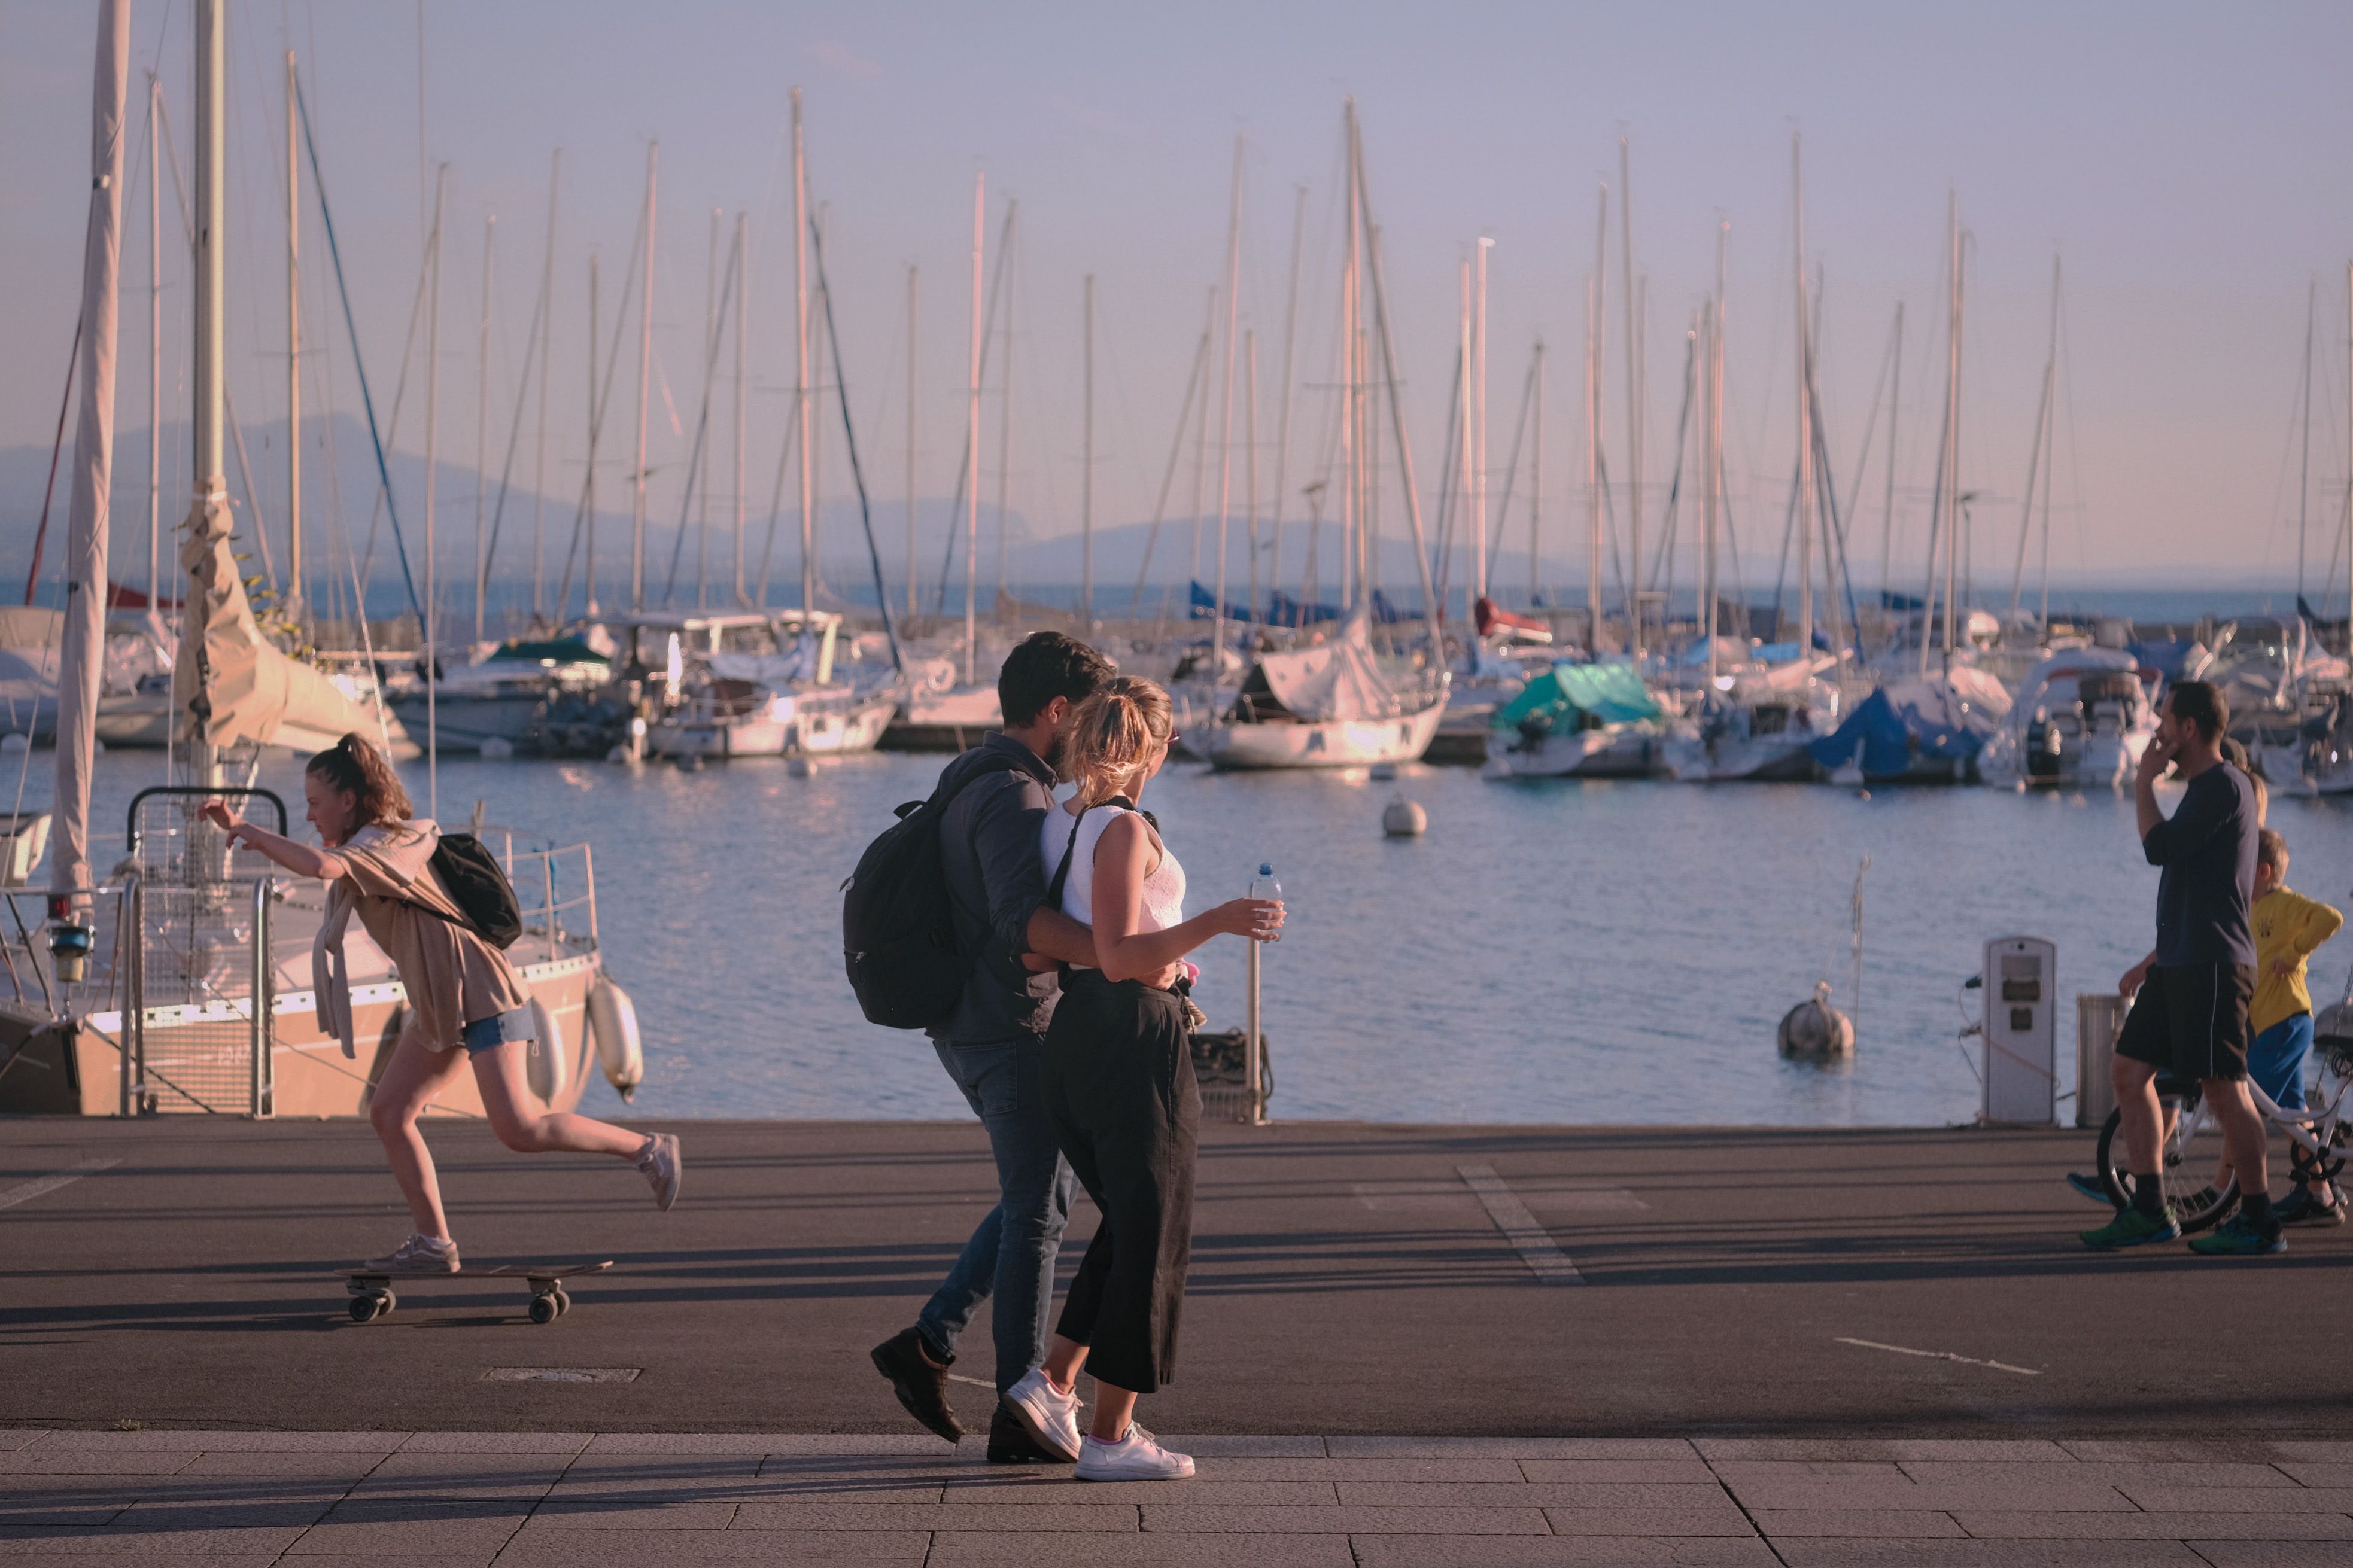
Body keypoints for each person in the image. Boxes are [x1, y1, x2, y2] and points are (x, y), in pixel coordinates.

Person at [202, 734, 679, 1273]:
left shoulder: (383, 844)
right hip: (441, 1009)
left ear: (349, 802)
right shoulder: (365, 848)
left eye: (314, 803)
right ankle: (434, 1242)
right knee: (390, 1111)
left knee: (519, 1128)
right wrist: (240, 826)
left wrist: (254, 832)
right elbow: (320, 861)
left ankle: (648, 1148)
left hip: (483, 995)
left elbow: (321, 867)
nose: (309, 815)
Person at [998, 677, 1283, 1482]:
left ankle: (1052, 1382)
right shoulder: (1121, 829)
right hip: (1130, 1041)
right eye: (1169, 742)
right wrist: (1219, 921)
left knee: (1129, 1220)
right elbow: (1124, 955)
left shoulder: (1063, 823)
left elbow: (1049, 946)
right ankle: (1114, 1436)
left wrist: (1167, 952)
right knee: (1158, 1226)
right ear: (1156, 747)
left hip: (1078, 1037)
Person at [868, 631, 1119, 1463]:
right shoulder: (1013, 796)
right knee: (1039, 1214)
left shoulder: (976, 775)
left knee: (1038, 1199)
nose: (1096, 735)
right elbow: (1023, 923)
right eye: (1089, 718)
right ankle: (1021, 1409)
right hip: (1007, 1028)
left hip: (976, 1020)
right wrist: (1125, 951)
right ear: (1056, 712)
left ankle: (932, 1342)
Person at [2082, 682, 2275, 1255]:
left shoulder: (2221, 786)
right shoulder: (2201, 789)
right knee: (2127, 1071)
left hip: (2214, 963)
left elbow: (2159, 847)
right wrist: (2153, 961)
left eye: (2166, 719)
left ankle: (2261, 1219)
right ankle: (2149, 1207)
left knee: (2224, 1090)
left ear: (2189, 727)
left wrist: (2143, 781)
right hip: (2180, 961)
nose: (2159, 729)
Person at [2246, 830, 2345, 1222]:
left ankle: (2249, 1202)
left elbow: (2331, 918)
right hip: (2268, 1023)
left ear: (2263, 871)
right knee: (2291, 1114)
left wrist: (2292, 952)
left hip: (2286, 1021)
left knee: (2249, 1105)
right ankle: (2321, 1194)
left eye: (2242, 869)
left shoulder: (2284, 903)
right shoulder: (2251, 908)